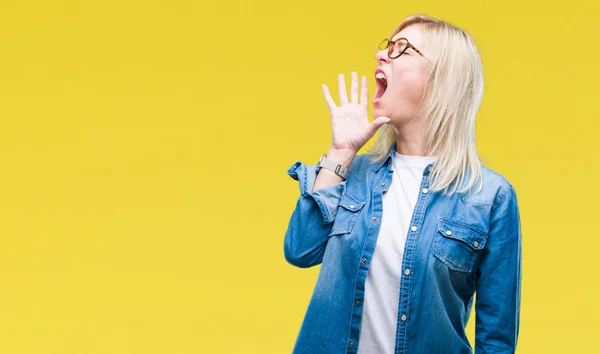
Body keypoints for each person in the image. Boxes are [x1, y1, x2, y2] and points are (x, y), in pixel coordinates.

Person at [283, 14, 522, 354]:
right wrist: (340, 152)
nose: (382, 56)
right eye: (386, 47)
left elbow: (496, 339)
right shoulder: (352, 172)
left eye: (402, 49)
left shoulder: (490, 197)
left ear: (443, 78)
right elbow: (300, 250)